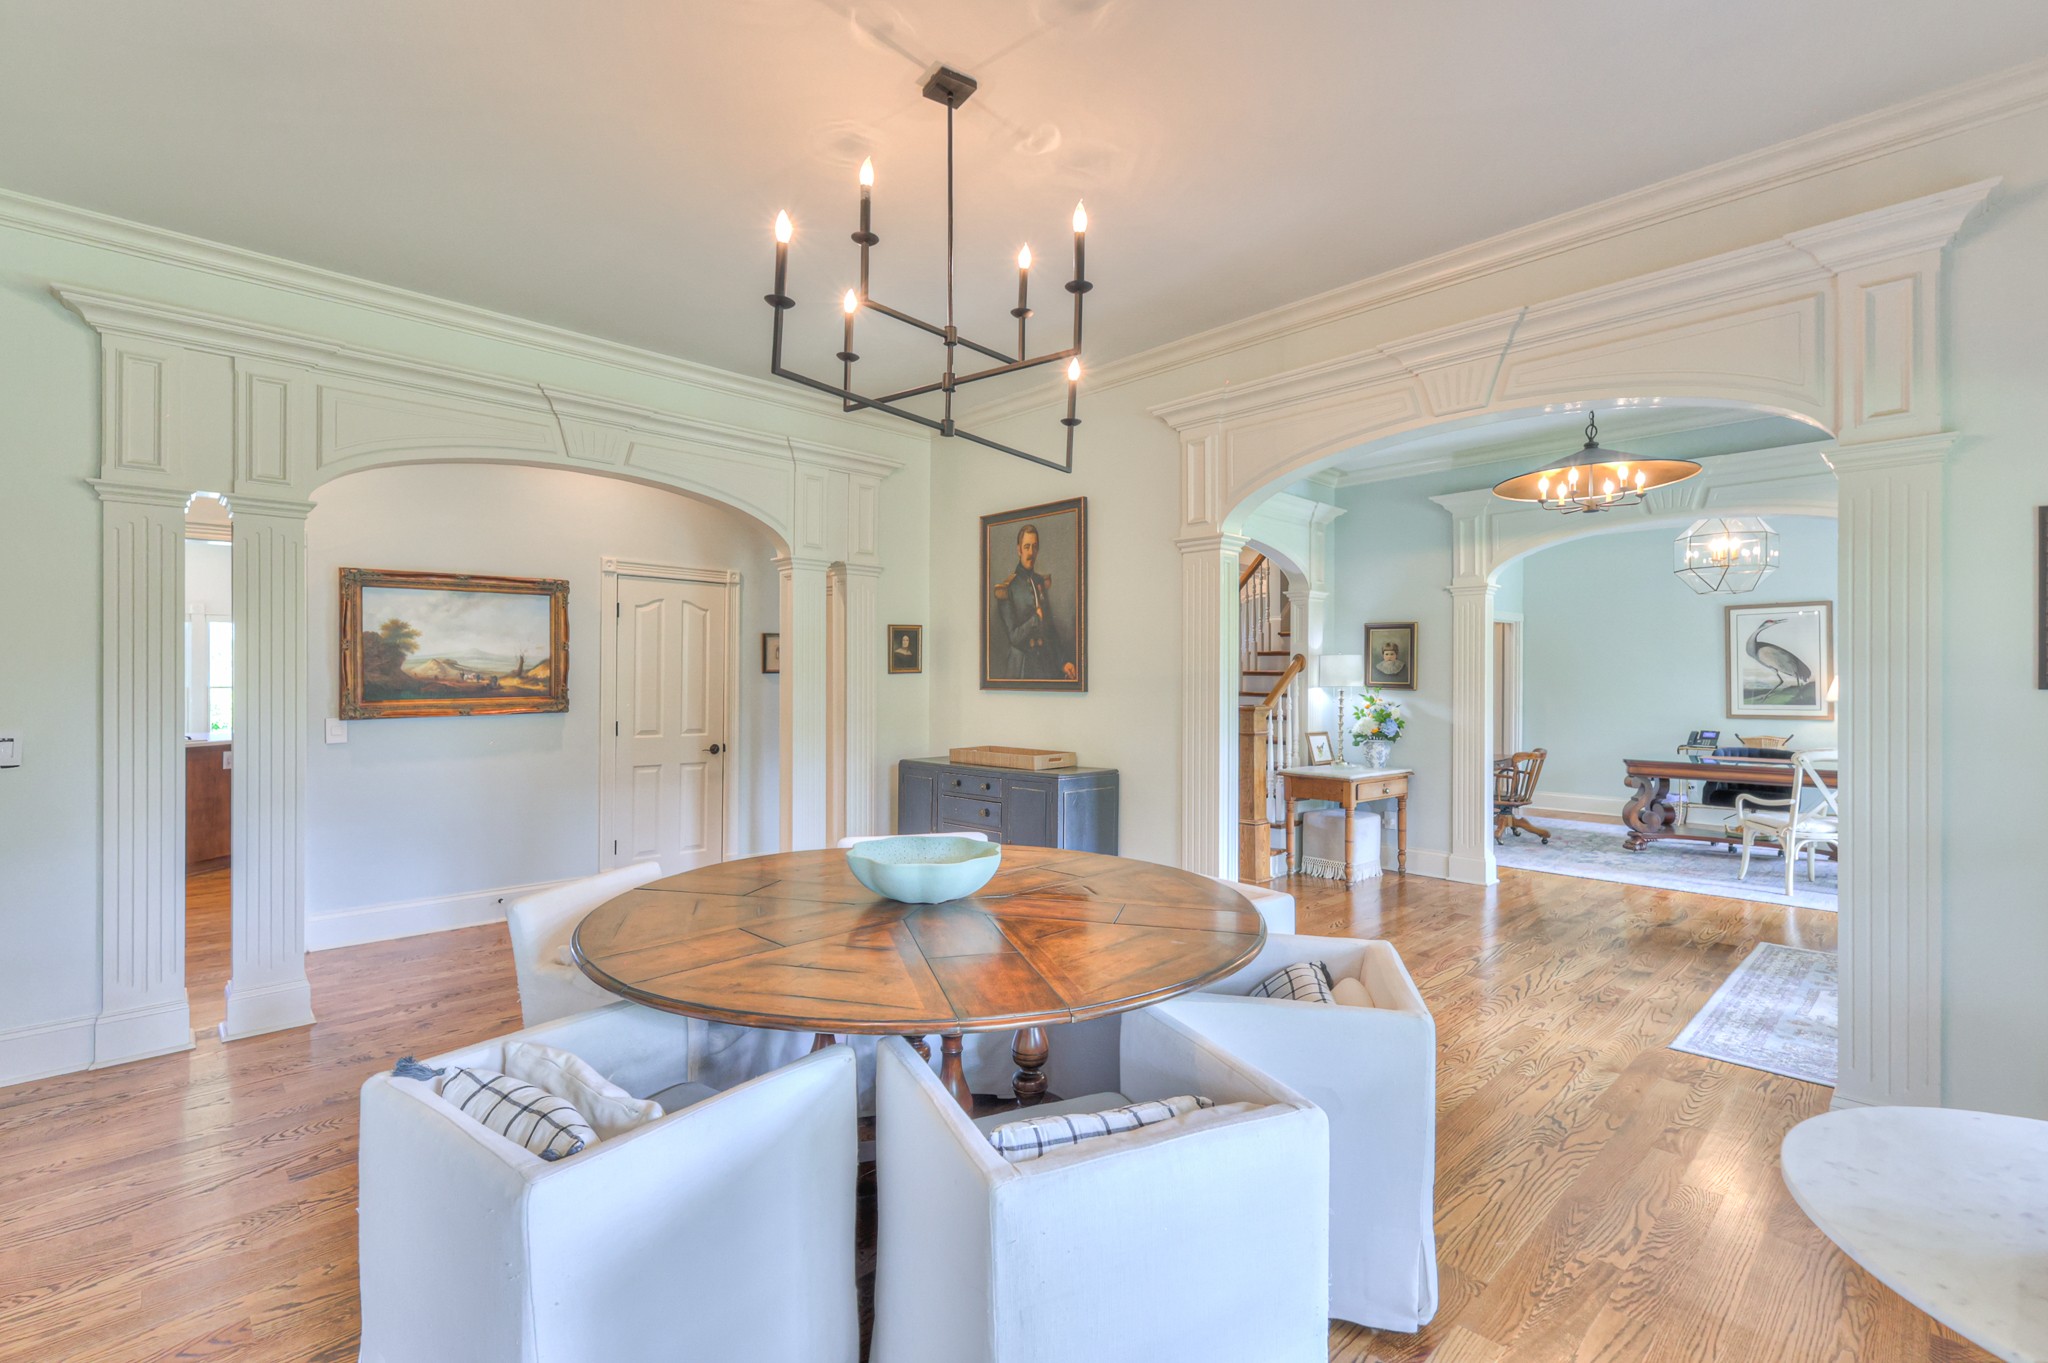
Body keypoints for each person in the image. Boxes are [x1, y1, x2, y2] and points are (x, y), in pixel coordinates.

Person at [990, 523, 1077, 682]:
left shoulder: (1040, 582)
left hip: (1043, 665)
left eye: (1034, 547)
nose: (1031, 552)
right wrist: (1035, 620)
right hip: (1020, 669)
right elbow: (1014, 637)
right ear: (1019, 550)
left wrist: (1063, 662)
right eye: (1027, 546)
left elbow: (1050, 630)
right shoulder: (1008, 588)